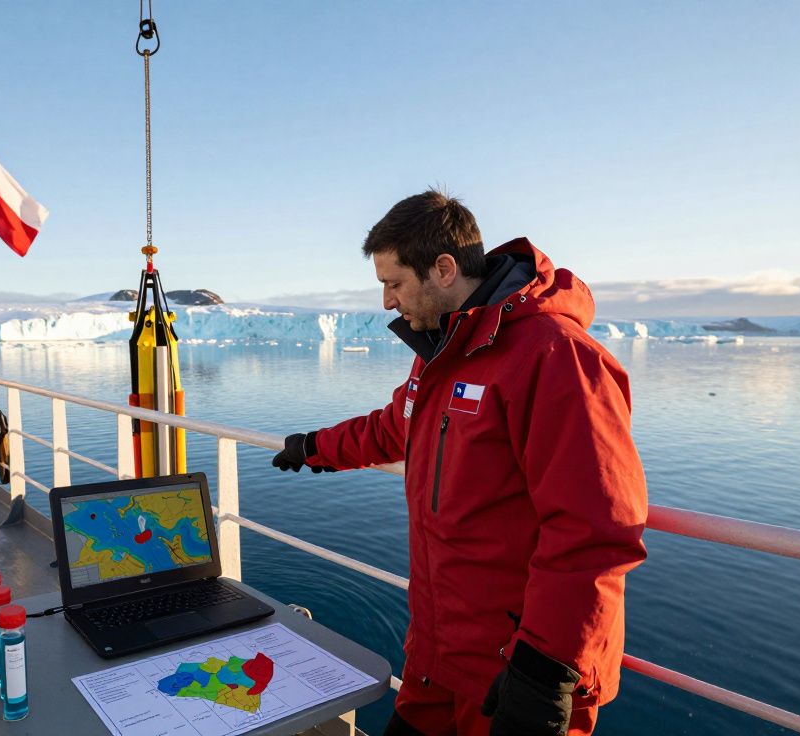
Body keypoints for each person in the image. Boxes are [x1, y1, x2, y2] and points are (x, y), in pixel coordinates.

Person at [272, 190, 648, 736]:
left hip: (513, 675)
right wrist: (314, 448)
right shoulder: (446, 355)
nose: (386, 302)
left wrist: (544, 672)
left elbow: (595, 528)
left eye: (394, 283)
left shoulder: (555, 357)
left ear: (443, 269)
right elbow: (392, 427)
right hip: (437, 657)